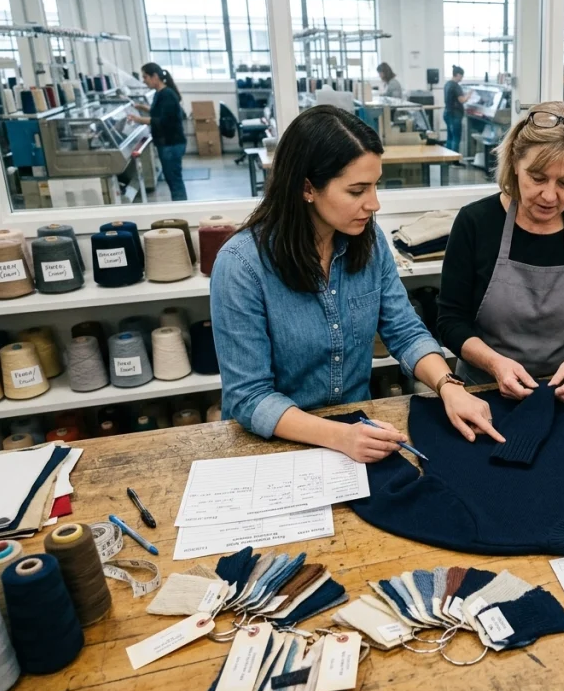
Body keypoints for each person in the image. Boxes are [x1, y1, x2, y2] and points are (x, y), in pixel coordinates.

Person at [211, 106, 503, 462]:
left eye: (375, 185)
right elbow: (249, 397)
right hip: (276, 446)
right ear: (307, 187)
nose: (374, 203)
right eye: (357, 190)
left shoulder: (369, 241)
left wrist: (448, 385)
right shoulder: (241, 265)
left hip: (356, 433)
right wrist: (341, 436)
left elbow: (405, 331)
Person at [437, 101, 564, 403]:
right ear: (514, 162)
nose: (550, 196)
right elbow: (450, 321)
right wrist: (495, 364)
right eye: (537, 178)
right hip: (482, 394)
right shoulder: (476, 222)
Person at [128, 62, 187, 201]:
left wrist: (138, 119)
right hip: (167, 143)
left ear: (155, 76)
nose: (144, 80)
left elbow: (162, 120)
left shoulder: (167, 94)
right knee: (172, 179)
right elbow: (159, 112)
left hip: (171, 144)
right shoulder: (160, 93)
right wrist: (142, 107)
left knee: (174, 180)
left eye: (145, 77)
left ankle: (182, 208)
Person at [444, 65, 469, 154]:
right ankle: (454, 160)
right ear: (458, 75)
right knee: (456, 137)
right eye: (461, 76)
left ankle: (448, 158)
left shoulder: (447, 84)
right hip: (455, 115)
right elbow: (462, 100)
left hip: (447, 113)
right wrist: (469, 94)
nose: (461, 78)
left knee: (450, 137)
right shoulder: (455, 86)